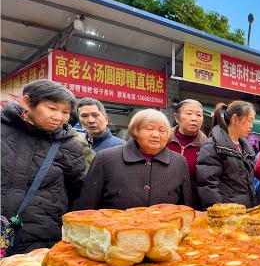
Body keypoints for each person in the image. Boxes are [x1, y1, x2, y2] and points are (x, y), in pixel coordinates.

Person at [1, 80, 85, 254]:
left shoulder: (70, 147)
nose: (58, 117)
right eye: (52, 108)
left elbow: (78, 194)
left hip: (42, 239)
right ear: (27, 102)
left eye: (65, 112)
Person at [77, 109, 192, 210]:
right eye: (149, 129)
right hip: (115, 230)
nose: (156, 135)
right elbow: (87, 204)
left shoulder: (179, 162)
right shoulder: (106, 158)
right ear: (135, 131)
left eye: (162, 131)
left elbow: (185, 206)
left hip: (164, 232)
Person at [196, 101, 257, 208]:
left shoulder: (247, 148)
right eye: (249, 120)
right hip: (227, 213)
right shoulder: (212, 146)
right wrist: (221, 212)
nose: (251, 126)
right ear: (235, 119)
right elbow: (208, 186)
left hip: (245, 211)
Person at [167, 99, 207, 209]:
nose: (194, 118)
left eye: (199, 115)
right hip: (164, 202)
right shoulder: (163, 141)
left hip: (195, 205)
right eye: (189, 113)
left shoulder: (208, 146)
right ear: (176, 117)